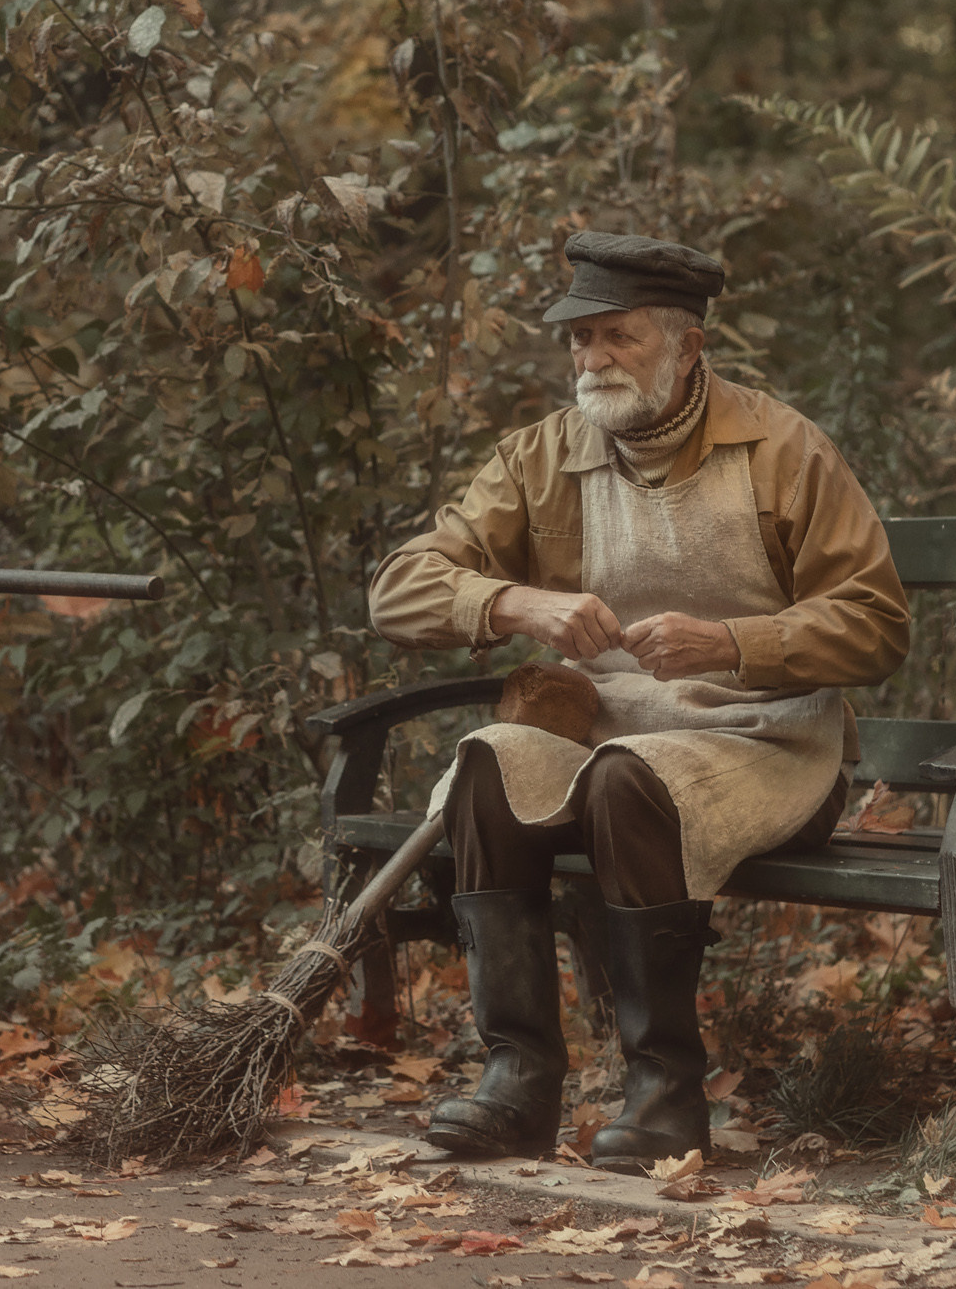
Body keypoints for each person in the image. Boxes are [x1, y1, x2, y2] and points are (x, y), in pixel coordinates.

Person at [367, 232, 910, 1172]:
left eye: (619, 336)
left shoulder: (784, 450)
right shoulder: (544, 456)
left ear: (687, 345)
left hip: (771, 741)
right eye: (581, 339)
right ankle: (518, 1082)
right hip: (607, 735)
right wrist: (515, 603)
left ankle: (665, 1094)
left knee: (627, 779)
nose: (593, 360)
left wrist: (733, 642)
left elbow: (877, 624)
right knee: (490, 763)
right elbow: (396, 590)